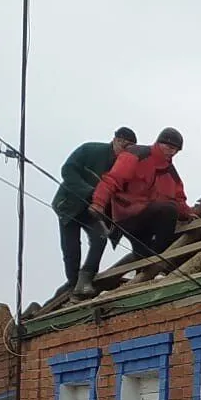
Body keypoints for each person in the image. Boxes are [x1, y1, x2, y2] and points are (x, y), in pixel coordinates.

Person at [91, 127, 195, 265]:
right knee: (169, 209)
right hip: (127, 214)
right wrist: (98, 202)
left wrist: (188, 213)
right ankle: (160, 260)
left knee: (144, 256)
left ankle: (152, 265)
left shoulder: (170, 173)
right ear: (159, 143)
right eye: (169, 147)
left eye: (176, 149)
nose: (172, 151)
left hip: (146, 218)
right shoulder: (136, 154)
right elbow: (113, 179)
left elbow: (178, 198)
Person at [53, 126, 135, 298]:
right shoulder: (90, 150)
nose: (123, 148)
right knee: (71, 248)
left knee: (100, 238)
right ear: (114, 140)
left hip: (93, 210)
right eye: (122, 143)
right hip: (69, 205)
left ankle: (86, 278)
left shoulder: (124, 167)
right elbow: (67, 170)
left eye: (129, 146)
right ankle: (74, 284)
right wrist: (89, 191)